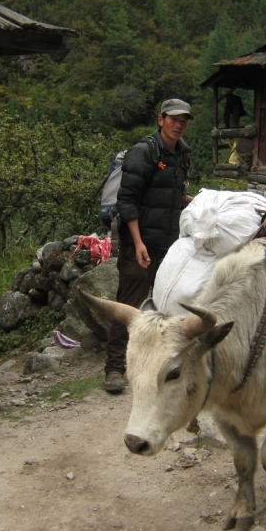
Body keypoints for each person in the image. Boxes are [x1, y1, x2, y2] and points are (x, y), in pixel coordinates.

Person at [104, 98, 193, 393]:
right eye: (173, 119)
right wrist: (138, 242)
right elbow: (126, 201)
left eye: (184, 121)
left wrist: (193, 202)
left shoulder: (181, 155)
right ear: (161, 119)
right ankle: (114, 369)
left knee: (161, 304)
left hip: (167, 246)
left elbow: (170, 195)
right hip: (138, 245)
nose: (178, 125)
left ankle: (153, 362)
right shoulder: (144, 152)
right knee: (129, 303)